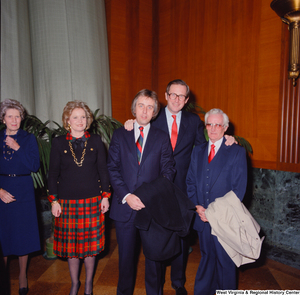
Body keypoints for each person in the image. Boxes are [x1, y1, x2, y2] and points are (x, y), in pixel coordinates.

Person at [124, 79, 235, 294]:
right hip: (155, 190)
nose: (176, 99)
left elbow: (205, 149)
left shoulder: (193, 121)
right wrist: (130, 124)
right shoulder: (152, 118)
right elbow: (138, 131)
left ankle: (178, 282)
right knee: (154, 238)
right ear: (165, 96)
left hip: (183, 190)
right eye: (172, 95)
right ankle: (155, 287)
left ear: (186, 100)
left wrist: (225, 139)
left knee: (181, 238)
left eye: (181, 96)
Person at [107, 89, 176, 295]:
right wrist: (127, 196)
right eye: (141, 106)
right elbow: (112, 168)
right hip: (124, 207)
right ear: (133, 109)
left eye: (150, 107)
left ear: (154, 111)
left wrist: (148, 195)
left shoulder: (162, 138)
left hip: (151, 207)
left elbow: (168, 170)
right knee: (126, 259)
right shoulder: (120, 134)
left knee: (154, 259)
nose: (145, 111)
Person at [48, 101, 111, 295]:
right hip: (66, 204)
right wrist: (54, 201)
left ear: (88, 120)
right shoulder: (58, 142)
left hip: (92, 202)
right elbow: (52, 174)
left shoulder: (96, 142)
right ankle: (75, 283)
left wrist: (105, 197)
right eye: (75, 117)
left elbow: (103, 171)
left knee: (90, 248)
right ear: (67, 120)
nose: (80, 120)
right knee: (72, 248)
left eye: (83, 117)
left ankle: (89, 284)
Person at [186, 108, 247, 295]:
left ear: (226, 127)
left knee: (225, 261)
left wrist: (213, 213)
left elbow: (238, 191)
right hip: (202, 218)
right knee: (207, 258)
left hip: (224, 219)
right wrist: (197, 207)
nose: (212, 129)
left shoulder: (236, 152)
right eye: (209, 124)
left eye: (217, 125)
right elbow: (190, 182)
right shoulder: (198, 151)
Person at [0, 99, 40, 295]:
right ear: (3, 119)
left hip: (23, 190)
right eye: (10, 116)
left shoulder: (28, 138)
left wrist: (17, 147)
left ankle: (22, 275)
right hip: (2, 189)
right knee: (3, 235)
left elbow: (34, 166)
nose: (14, 120)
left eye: (17, 116)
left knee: (23, 235)